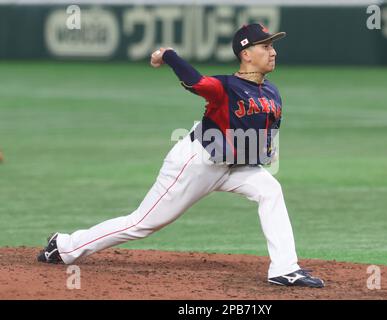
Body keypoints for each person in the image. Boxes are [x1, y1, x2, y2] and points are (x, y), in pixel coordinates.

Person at [37, 23, 324, 288]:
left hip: (236, 166)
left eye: (273, 46)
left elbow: (267, 134)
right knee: (142, 223)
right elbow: (196, 82)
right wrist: (169, 55)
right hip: (197, 161)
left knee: (270, 190)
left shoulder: (272, 92)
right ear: (246, 54)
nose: (273, 52)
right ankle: (64, 247)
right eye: (266, 46)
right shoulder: (225, 86)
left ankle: (284, 269)